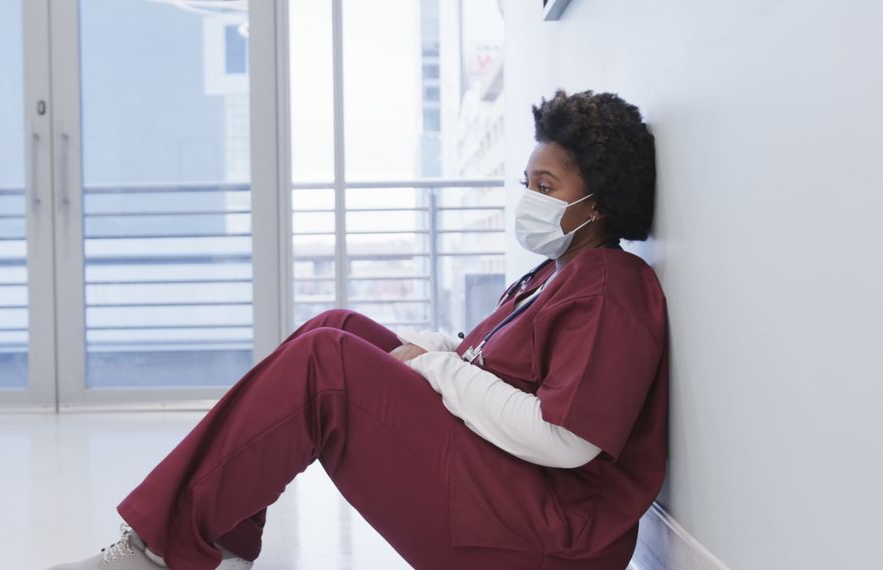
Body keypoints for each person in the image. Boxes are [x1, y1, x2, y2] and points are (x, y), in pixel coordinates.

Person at [48, 89, 667, 570]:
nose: (529, 197)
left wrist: (434, 366)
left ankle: (162, 551)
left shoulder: (613, 286)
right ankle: (218, 535)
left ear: (601, 202)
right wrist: (439, 349)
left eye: (547, 186)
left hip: (549, 538)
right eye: (527, 184)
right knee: (336, 326)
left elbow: (565, 439)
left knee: (328, 364)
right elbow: (486, 355)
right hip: (511, 487)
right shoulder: (556, 272)